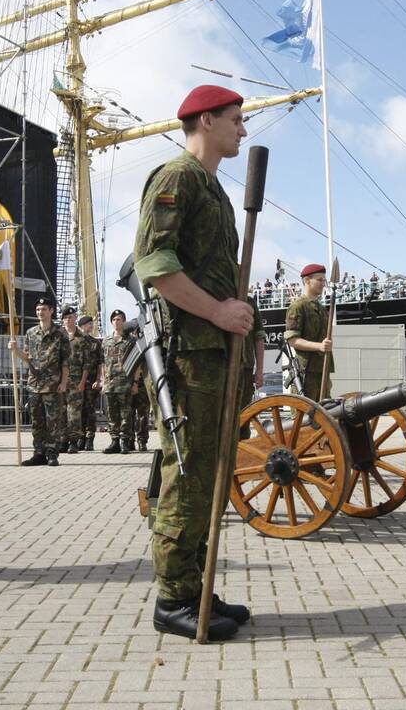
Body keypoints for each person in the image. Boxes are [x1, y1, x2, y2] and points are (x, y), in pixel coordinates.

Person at [133, 84, 254, 641]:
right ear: (206, 121)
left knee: (210, 474)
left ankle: (197, 586)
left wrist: (234, 319)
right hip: (190, 357)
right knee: (186, 473)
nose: (243, 130)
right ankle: (173, 599)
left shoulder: (214, 190)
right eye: (235, 119)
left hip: (216, 356)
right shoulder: (177, 178)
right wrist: (220, 312)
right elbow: (154, 267)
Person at [10, 296, 69, 467]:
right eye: (37, 310)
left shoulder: (60, 334)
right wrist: (15, 350)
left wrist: (64, 383)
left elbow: (65, 361)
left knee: (53, 422)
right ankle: (38, 453)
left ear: (51, 311)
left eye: (43, 309)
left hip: (53, 385)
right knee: (37, 422)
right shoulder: (31, 333)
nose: (40, 312)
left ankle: (52, 454)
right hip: (35, 384)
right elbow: (27, 358)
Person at [285, 263, 334, 401]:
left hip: (322, 368)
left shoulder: (321, 308)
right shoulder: (297, 307)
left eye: (324, 280)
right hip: (305, 371)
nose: (323, 284)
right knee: (304, 418)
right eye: (319, 280)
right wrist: (319, 346)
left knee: (326, 413)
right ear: (307, 280)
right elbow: (292, 340)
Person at [100, 309, 133, 454]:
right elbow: (103, 363)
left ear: (124, 321)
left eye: (119, 319)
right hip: (110, 383)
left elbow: (137, 363)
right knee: (111, 413)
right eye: (114, 319)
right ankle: (115, 441)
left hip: (125, 383)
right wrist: (102, 381)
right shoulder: (106, 341)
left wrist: (136, 382)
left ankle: (125, 441)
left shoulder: (131, 340)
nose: (116, 322)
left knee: (126, 414)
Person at [60, 306, 90, 454]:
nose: (68, 320)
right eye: (66, 317)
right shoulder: (58, 336)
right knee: (60, 411)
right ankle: (62, 440)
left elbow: (87, 363)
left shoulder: (82, 337)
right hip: (60, 380)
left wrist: (83, 381)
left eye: (71, 317)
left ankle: (73, 441)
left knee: (75, 413)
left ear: (75, 318)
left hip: (76, 380)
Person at [239, 297, 265, 439]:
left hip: (246, 369)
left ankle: (243, 457)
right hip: (222, 367)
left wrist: (260, 370)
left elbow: (259, 337)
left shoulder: (249, 302)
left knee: (244, 418)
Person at [78, 315, 103, 451]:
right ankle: (80, 437)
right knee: (78, 411)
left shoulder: (95, 343)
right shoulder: (74, 341)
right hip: (77, 382)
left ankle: (89, 439)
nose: (91, 326)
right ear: (82, 326)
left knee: (90, 411)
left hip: (91, 382)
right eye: (89, 324)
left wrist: (99, 379)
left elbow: (100, 363)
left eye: (91, 324)